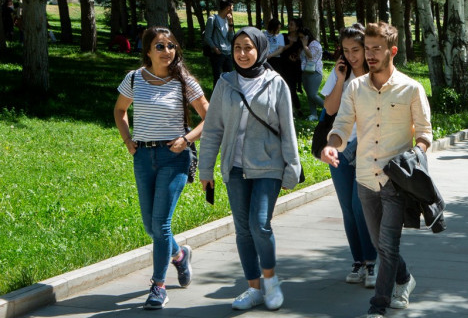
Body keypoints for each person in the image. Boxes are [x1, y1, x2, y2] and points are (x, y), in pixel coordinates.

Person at [320, 22, 432, 318]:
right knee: (378, 243)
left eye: (375, 49)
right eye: (366, 48)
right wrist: (333, 145)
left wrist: (416, 153)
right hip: (364, 178)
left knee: (388, 242)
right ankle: (405, 279)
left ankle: (377, 307)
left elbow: (424, 133)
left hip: (396, 179)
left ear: (392, 51)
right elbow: (342, 125)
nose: (369, 55)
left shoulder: (411, 88)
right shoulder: (354, 88)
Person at [198, 27, 302, 311]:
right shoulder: (225, 83)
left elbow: (287, 129)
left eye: (248, 47)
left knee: (260, 224)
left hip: (268, 166)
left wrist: (293, 166)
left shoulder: (276, 83)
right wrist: (205, 168)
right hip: (235, 167)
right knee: (243, 230)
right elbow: (213, 129)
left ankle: (271, 281)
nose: (242, 54)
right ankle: (254, 288)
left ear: (260, 49)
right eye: (237, 48)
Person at [113, 27, 209, 310]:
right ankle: (179, 256)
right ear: (147, 51)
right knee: (150, 225)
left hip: (174, 157)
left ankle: (158, 286)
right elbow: (119, 110)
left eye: (171, 46)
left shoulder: (184, 81)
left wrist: (186, 139)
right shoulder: (133, 78)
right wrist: (128, 140)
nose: (167, 51)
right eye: (160, 46)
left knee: (162, 224)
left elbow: (210, 115)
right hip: (143, 156)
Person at [320, 24, 378, 288]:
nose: (353, 56)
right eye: (347, 51)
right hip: (341, 149)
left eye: (357, 49)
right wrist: (341, 78)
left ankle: (372, 262)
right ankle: (358, 261)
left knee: (361, 205)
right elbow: (330, 109)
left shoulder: (376, 75)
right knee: (347, 208)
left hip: (368, 150)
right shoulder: (338, 74)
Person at [204, 0, 235, 84]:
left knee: (229, 79)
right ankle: (216, 97)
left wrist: (230, 24)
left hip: (228, 53)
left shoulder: (229, 20)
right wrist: (215, 48)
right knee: (217, 79)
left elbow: (231, 38)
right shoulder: (213, 19)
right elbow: (207, 37)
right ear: (228, 8)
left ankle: (228, 96)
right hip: (217, 54)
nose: (233, 9)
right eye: (232, 7)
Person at [298, 26, 324, 121]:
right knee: (309, 95)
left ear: (307, 36)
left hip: (315, 72)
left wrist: (305, 46)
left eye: (302, 37)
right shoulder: (305, 45)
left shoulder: (315, 44)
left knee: (313, 94)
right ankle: (314, 114)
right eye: (299, 37)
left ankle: (330, 109)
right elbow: (302, 58)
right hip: (305, 72)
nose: (301, 39)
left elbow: (311, 57)